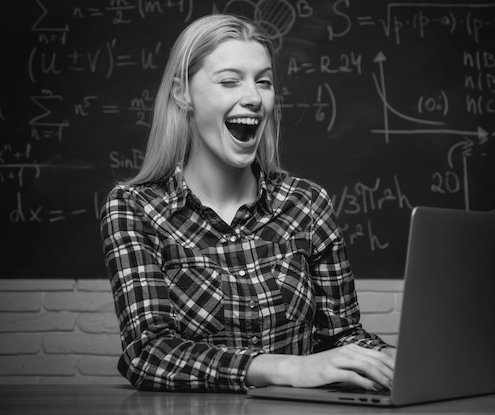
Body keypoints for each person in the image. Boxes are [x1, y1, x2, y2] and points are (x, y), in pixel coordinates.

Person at [100, 13, 396, 392]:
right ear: (182, 94)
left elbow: (341, 336)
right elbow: (149, 352)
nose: (254, 98)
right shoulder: (134, 209)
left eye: (264, 82)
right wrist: (287, 369)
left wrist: (390, 358)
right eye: (229, 81)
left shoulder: (306, 203)